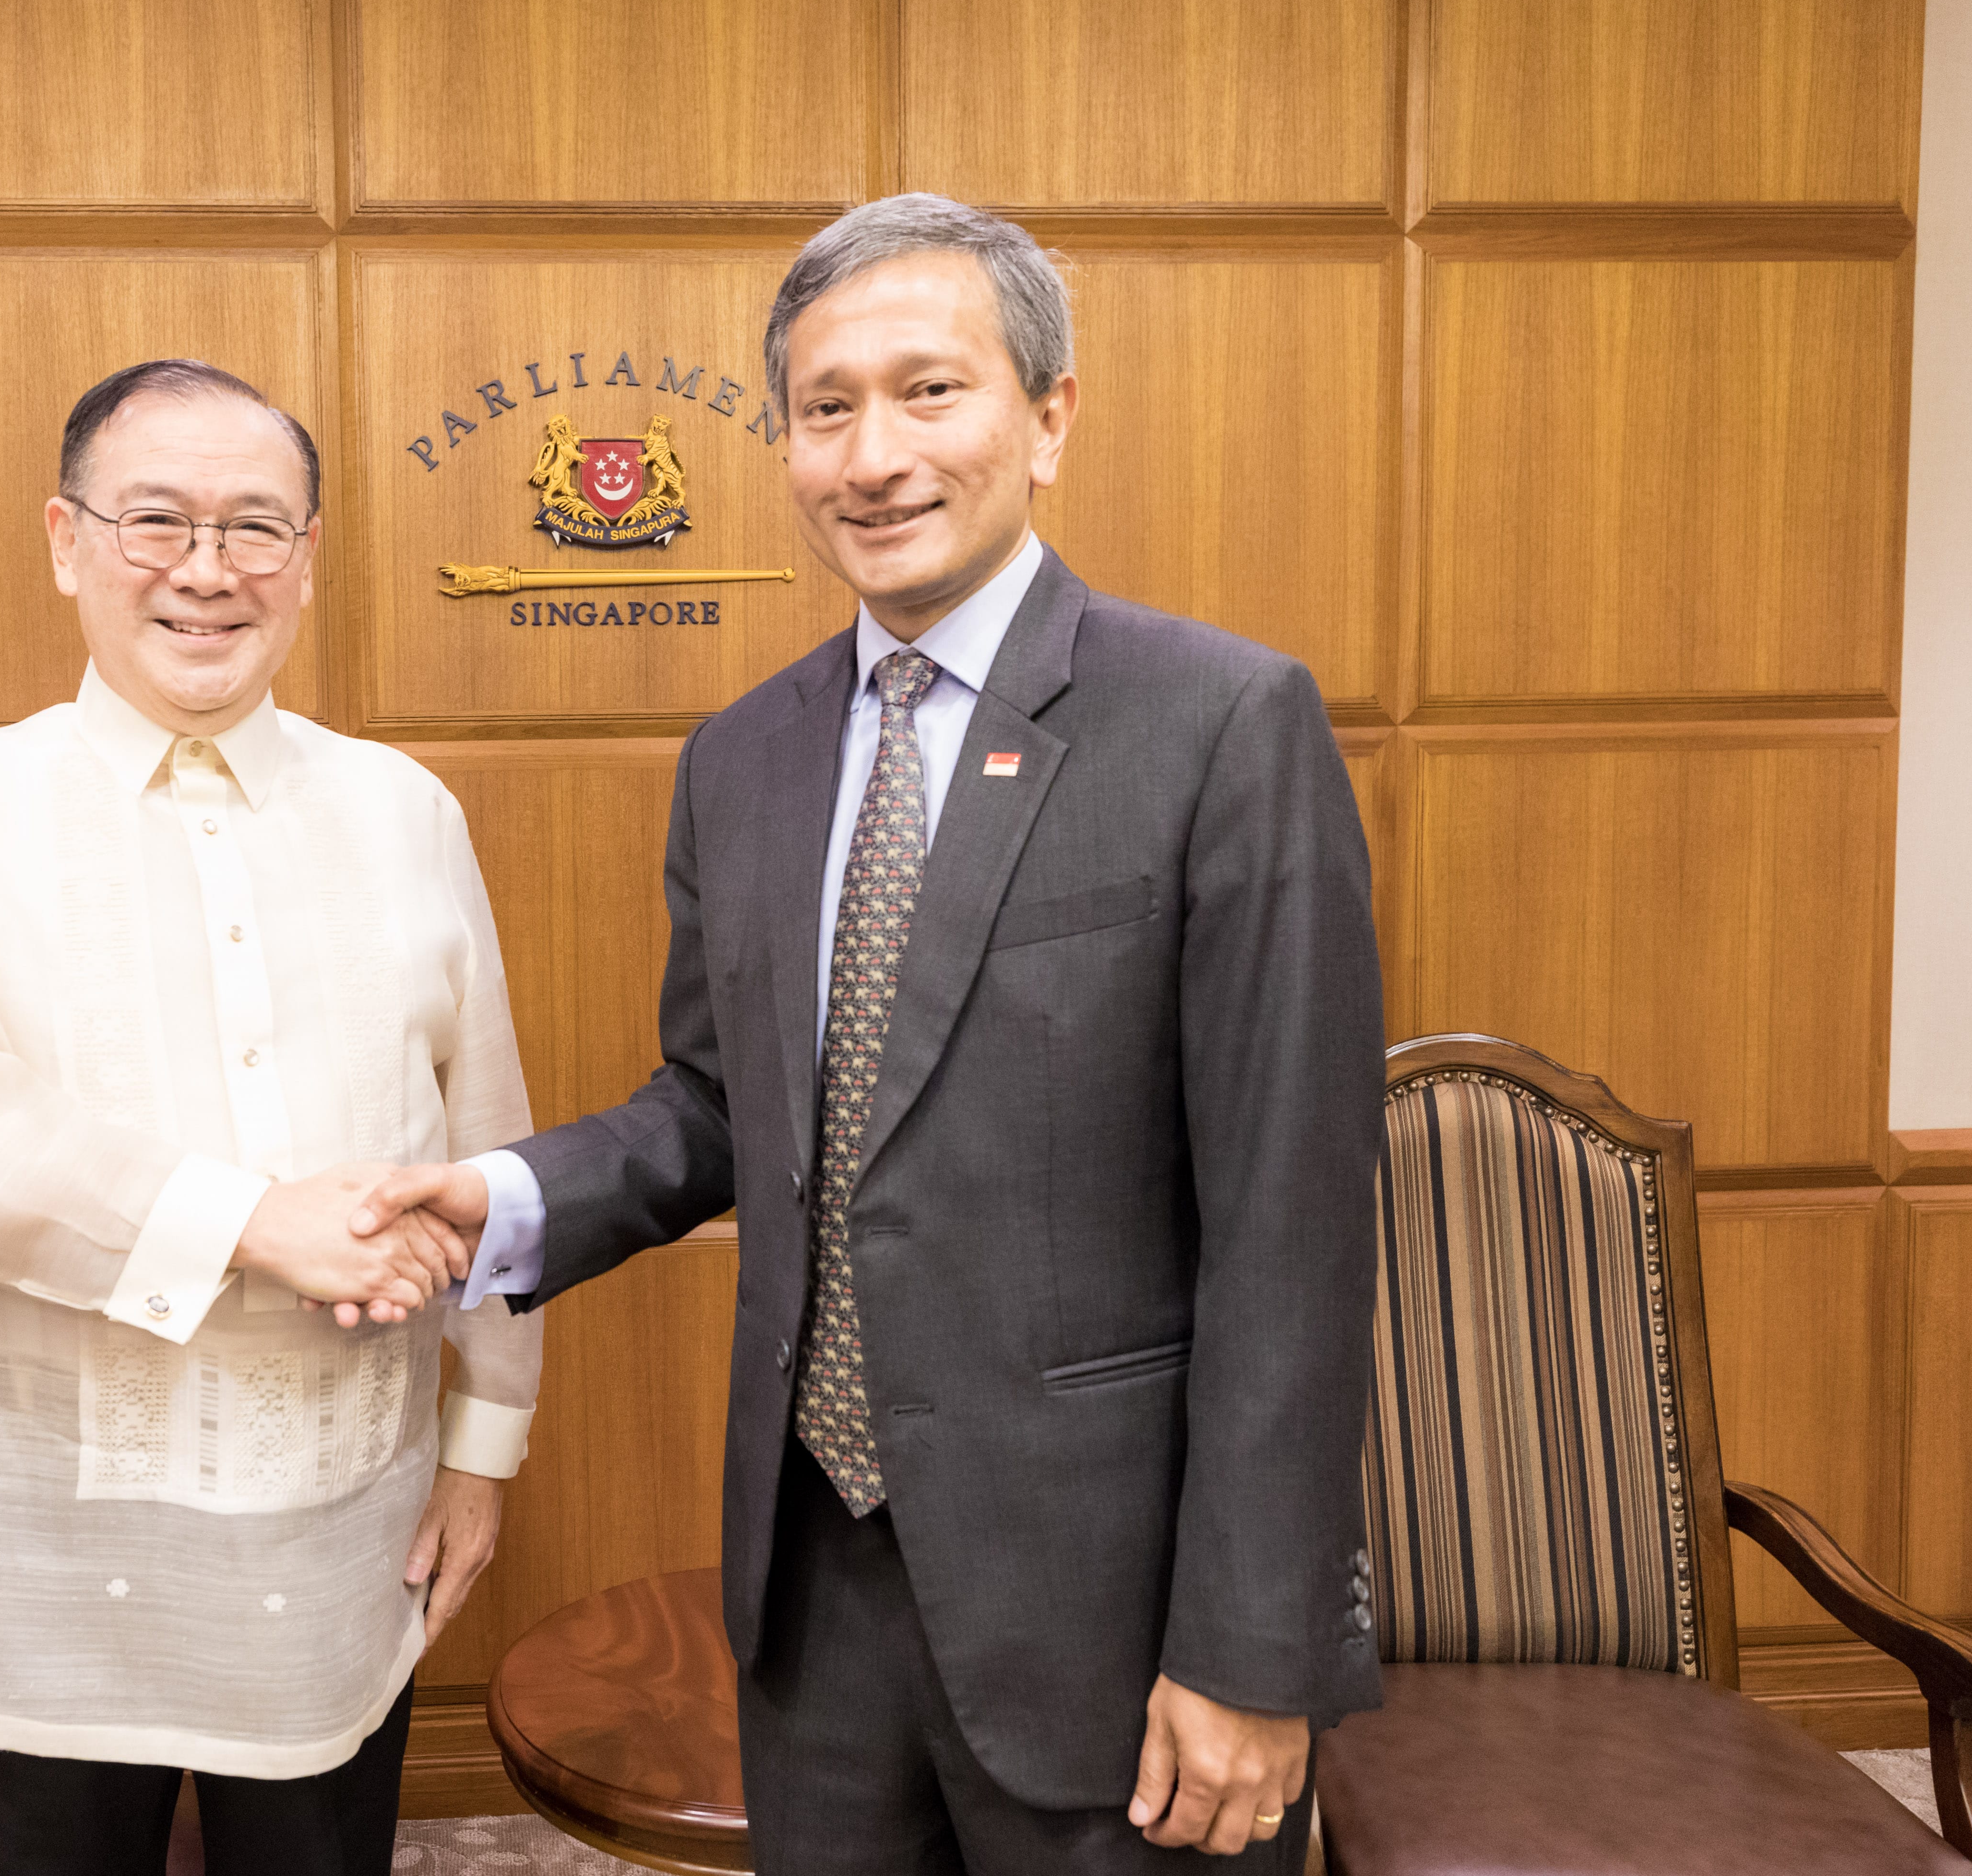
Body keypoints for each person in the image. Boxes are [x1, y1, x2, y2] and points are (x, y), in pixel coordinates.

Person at [365, 195, 1385, 1872]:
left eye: (931, 392)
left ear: (1049, 420)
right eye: (826, 407)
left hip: (1118, 1618)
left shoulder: (1219, 724)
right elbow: (717, 1107)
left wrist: (1251, 1649)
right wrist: (505, 1202)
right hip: (815, 1596)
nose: (873, 454)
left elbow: (1292, 1228)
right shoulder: (743, 761)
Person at [0, 358, 541, 1876]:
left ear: (309, 560)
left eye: (255, 528)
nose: (208, 571)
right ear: (67, 541)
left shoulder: (406, 811)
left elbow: (486, 1146)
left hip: (349, 1538)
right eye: (157, 521)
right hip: (48, 1558)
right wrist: (254, 1225)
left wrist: (486, 1445)